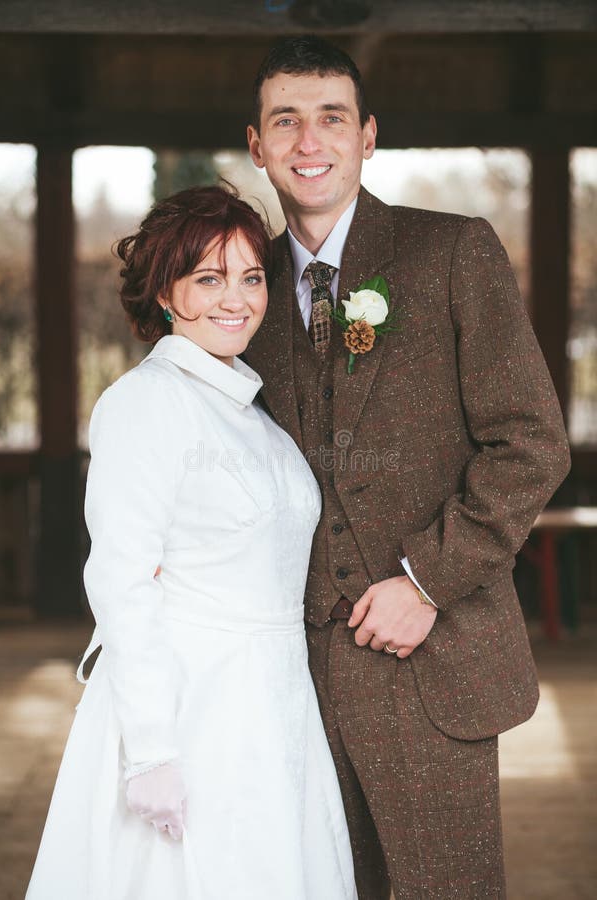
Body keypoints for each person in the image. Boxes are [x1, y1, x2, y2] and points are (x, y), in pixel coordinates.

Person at [244, 35, 571, 899]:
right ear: (257, 145)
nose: (309, 142)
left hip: (435, 666)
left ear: (367, 137)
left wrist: (426, 580)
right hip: (292, 681)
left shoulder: (454, 252)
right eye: (287, 122)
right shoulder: (243, 293)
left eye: (331, 120)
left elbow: (531, 440)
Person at [26, 186, 358, 900]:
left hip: (274, 704)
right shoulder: (144, 404)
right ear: (165, 292)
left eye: (250, 276)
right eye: (208, 278)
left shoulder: (255, 412)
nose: (235, 299)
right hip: (191, 707)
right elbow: (123, 582)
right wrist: (151, 751)